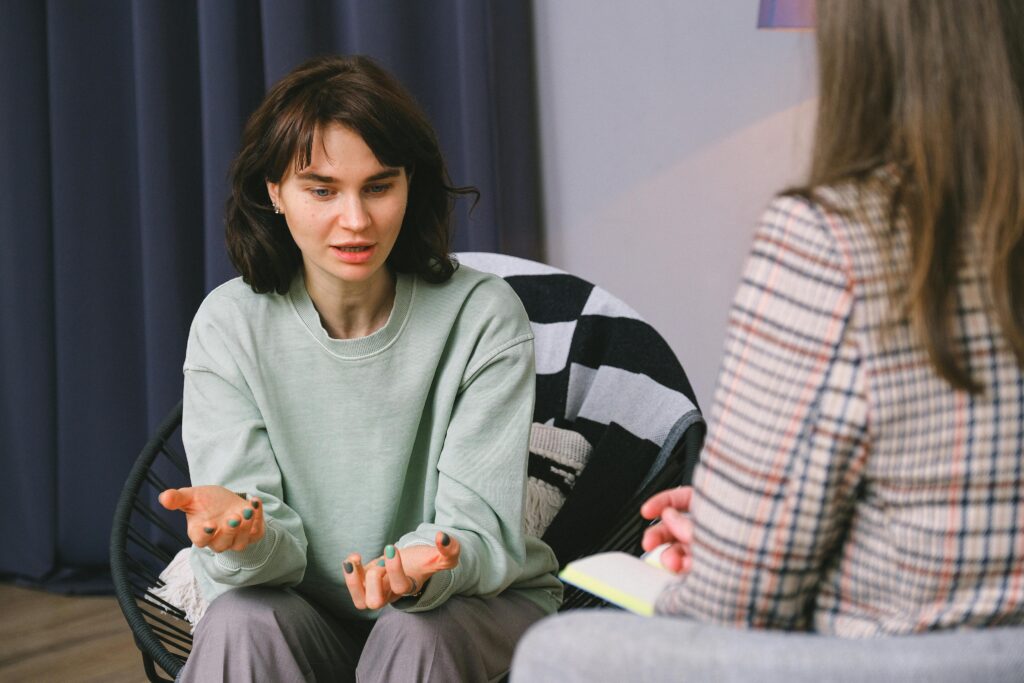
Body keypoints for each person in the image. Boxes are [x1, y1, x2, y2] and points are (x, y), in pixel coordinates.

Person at [511, 0, 1024, 680]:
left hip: (887, 661)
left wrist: (729, 555)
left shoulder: (829, 240)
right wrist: (743, 518)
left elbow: (739, 603)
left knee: (554, 654)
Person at [156, 54, 562, 682]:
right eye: (321, 190)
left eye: (379, 186)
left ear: (409, 185)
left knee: (414, 630)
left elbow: (478, 530)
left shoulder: (481, 316)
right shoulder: (228, 324)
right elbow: (262, 548)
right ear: (275, 192)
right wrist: (245, 534)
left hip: (467, 615)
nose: (356, 220)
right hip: (308, 618)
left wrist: (426, 564)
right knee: (239, 621)